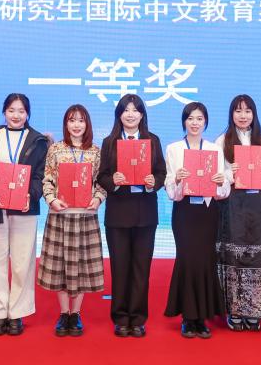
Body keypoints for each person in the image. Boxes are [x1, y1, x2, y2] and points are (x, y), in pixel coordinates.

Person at [0, 93, 49, 336]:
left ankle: (17, 314)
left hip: (24, 209)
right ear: (4, 112)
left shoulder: (38, 141)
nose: (16, 115)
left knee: (23, 263)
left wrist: (31, 195)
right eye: (12, 110)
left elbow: (42, 174)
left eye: (21, 111)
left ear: (28, 113)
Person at [98, 94, 167, 338]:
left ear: (142, 115)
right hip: (118, 215)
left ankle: (137, 318)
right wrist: (113, 181)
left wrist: (153, 182)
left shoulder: (153, 140)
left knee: (141, 268)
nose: (130, 114)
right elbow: (101, 176)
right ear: (119, 114)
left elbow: (162, 173)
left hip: (145, 214)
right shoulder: (109, 142)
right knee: (119, 268)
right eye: (125, 110)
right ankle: (120, 317)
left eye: (135, 110)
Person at [38, 104, 107, 337]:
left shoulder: (96, 152)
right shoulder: (55, 149)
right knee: (60, 267)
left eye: (81, 120)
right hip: (60, 215)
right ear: (66, 124)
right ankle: (63, 313)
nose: (76, 125)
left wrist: (98, 199)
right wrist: (51, 200)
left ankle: (76, 314)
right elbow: (47, 179)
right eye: (71, 120)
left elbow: (101, 182)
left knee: (81, 266)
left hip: (86, 216)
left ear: (87, 124)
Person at [214, 94, 261, 332]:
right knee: (234, 255)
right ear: (231, 114)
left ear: (254, 114)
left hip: (259, 205)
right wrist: (231, 172)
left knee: (258, 256)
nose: (243, 116)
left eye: (247, 111)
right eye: (238, 111)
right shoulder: (222, 140)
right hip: (233, 204)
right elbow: (218, 179)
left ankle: (255, 310)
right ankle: (235, 310)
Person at [164, 102, 229, 339]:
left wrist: (221, 182)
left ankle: (202, 317)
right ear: (184, 121)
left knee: (206, 261)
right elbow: (169, 188)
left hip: (207, 212)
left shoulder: (214, 149)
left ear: (205, 122)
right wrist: (177, 179)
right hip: (184, 212)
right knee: (187, 260)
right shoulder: (173, 148)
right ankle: (187, 318)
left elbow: (223, 190)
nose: (194, 123)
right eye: (190, 118)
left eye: (199, 118)